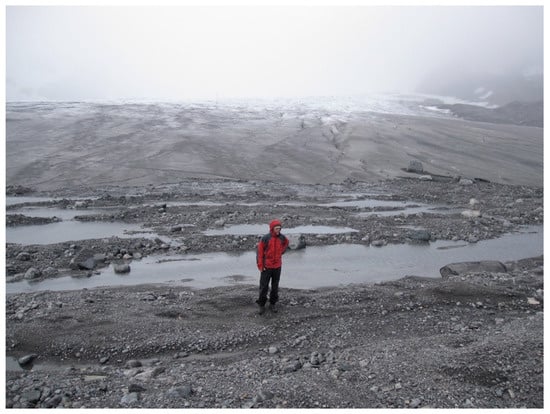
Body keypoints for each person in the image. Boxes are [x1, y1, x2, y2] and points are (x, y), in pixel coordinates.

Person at [256, 219, 289, 315]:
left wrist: (282, 251)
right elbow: (259, 253)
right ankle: (261, 305)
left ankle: (272, 304)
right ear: (272, 228)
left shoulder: (282, 237)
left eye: (279, 228)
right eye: (276, 228)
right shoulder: (265, 238)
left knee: (275, 286)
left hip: (277, 266)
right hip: (266, 266)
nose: (278, 230)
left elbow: (286, 242)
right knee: (264, 287)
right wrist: (261, 265)